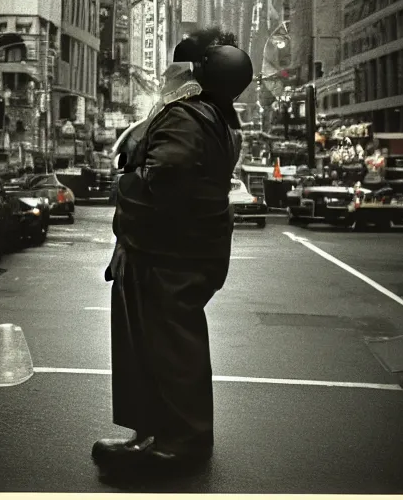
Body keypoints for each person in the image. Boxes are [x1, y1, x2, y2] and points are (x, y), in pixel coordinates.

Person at [92, 27, 253, 475]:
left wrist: (125, 182)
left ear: (195, 71)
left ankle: (180, 443)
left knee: (168, 346)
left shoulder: (186, 115)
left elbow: (164, 179)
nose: (168, 74)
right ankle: (158, 432)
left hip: (167, 256)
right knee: (162, 345)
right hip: (180, 252)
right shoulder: (217, 116)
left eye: (177, 66)